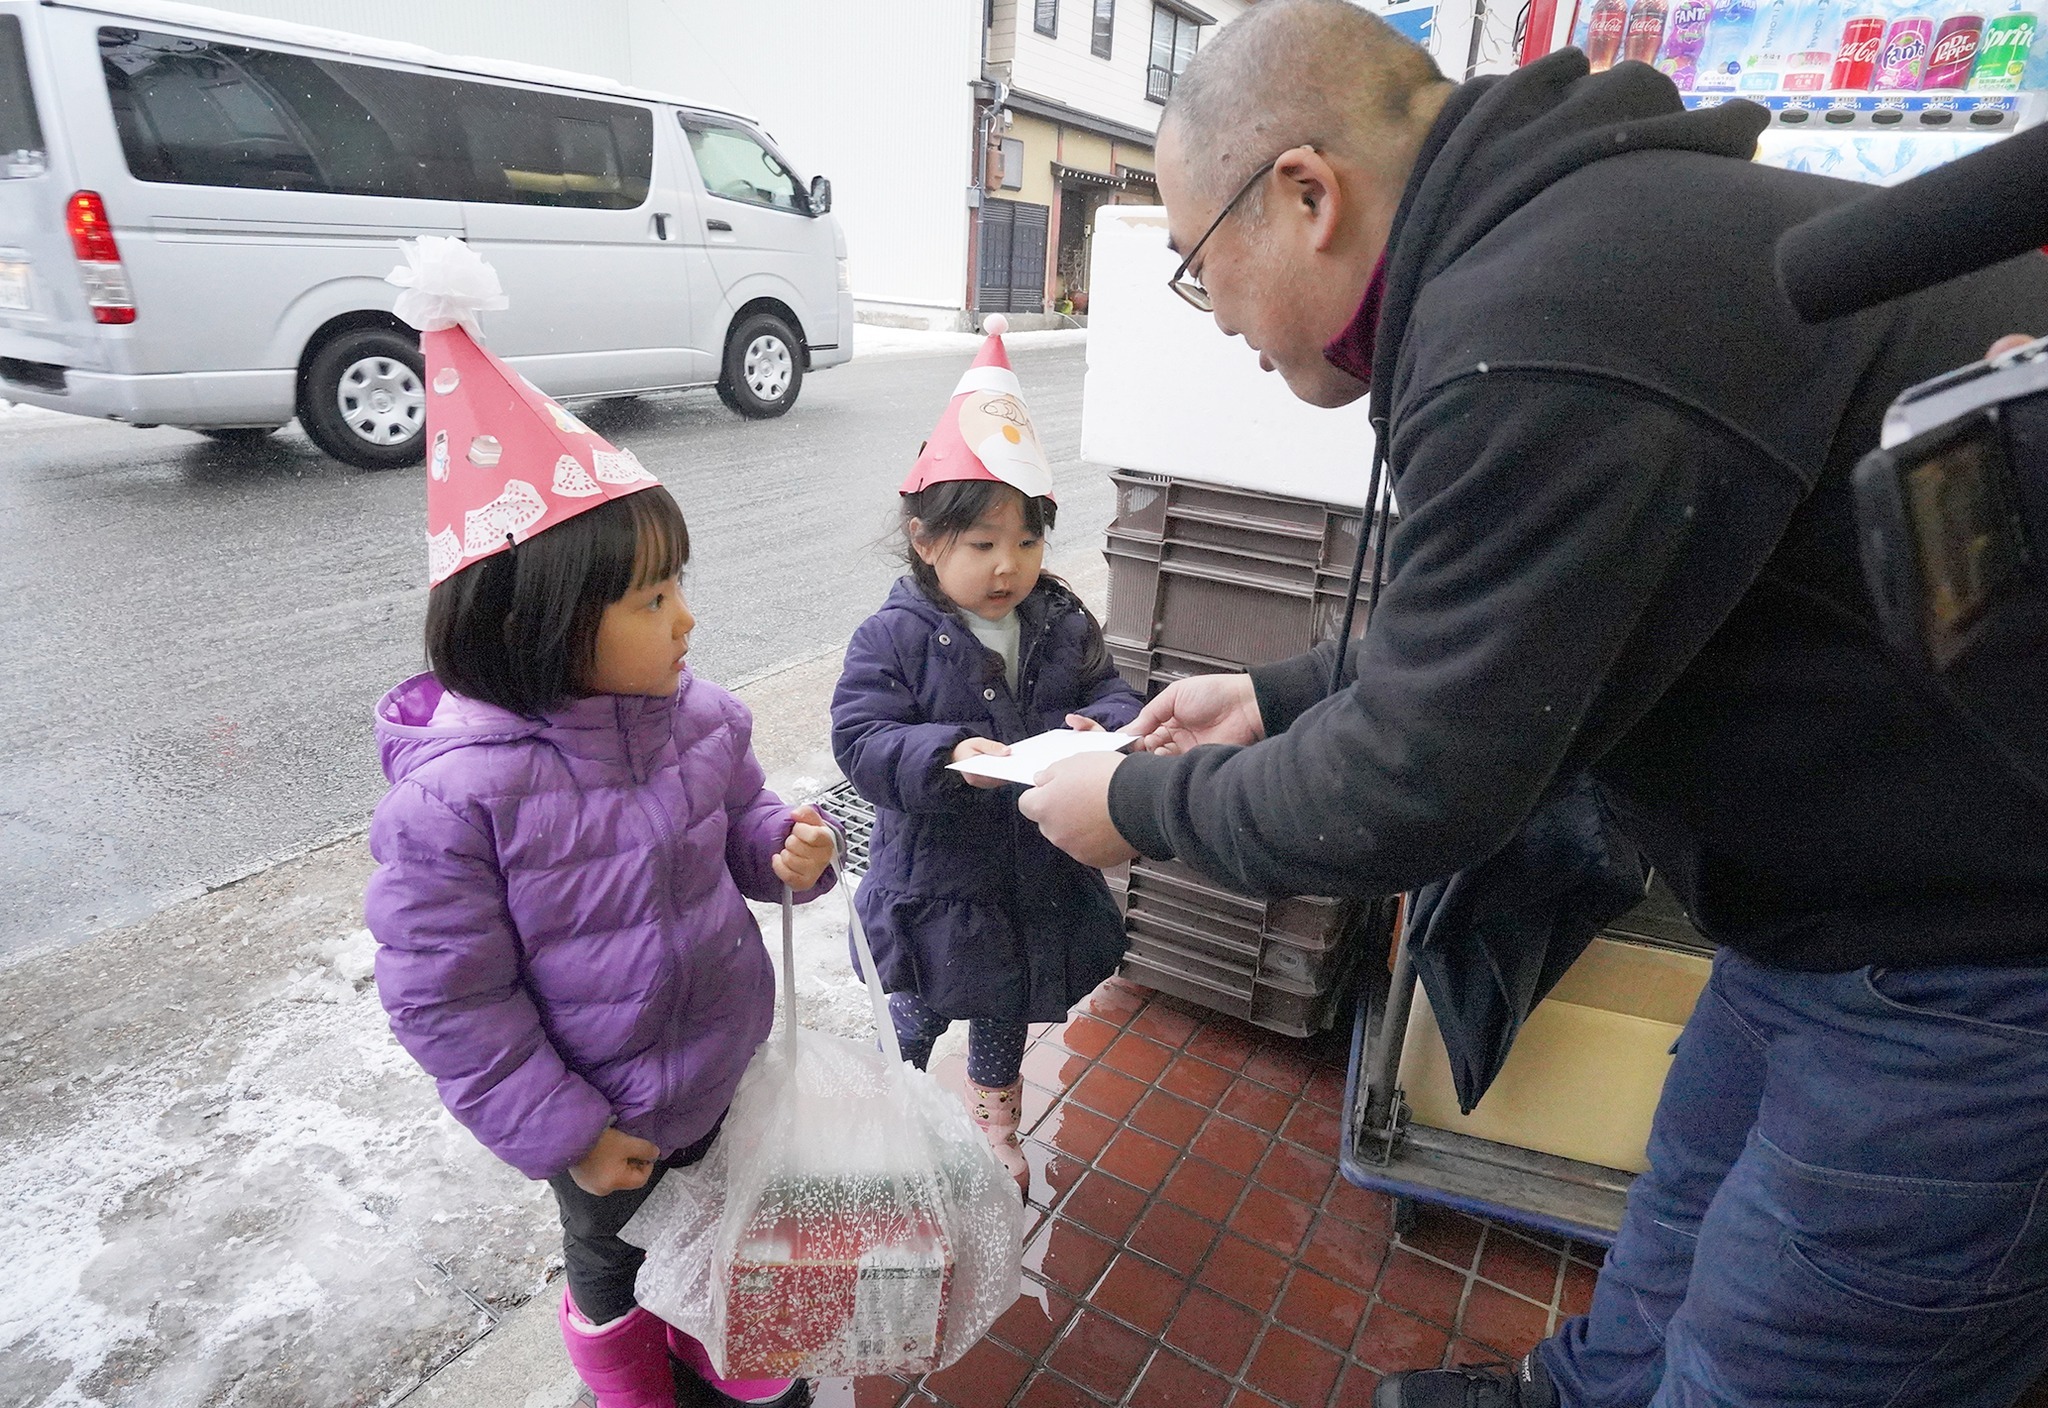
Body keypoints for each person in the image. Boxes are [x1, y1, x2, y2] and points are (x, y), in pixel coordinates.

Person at [1016, 3, 2048, 1404]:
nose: (1228, 327)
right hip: (1823, 903)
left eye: (1206, 270)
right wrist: (1273, 696)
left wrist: (1134, 806)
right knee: (1679, 1214)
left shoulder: (1542, 324)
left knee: (1784, 1356)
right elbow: (1520, 618)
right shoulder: (1551, 248)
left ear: (1308, 196)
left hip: (1975, 948)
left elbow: (1413, 784)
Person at [364, 239, 834, 1408]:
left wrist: (784, 854)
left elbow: (743, 830)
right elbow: (447, 994)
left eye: (680, 584)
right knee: (613, 1262)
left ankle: (721, 1342)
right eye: (650, 598)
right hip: (600, 1116)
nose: (687, 617)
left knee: (722, 1232)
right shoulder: (454, 798)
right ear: (539, 623)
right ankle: (624, 1373)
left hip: (718, 1072)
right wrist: (565, 1129)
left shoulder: (701, 720)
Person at [831, 316, 1142, 1184]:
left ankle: (995, 1130)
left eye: (1029, 540)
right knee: (916, 1012)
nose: (1010, 565)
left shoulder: (1061, 618)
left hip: (1027, 878)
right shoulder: (892, 636)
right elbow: (860, 739)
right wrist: (942, 752)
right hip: (937, 882)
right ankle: (884, 1122)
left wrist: (1101, 726)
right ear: (927, 541)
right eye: (982, 544)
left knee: (1002, 1019)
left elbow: (1109, 689)